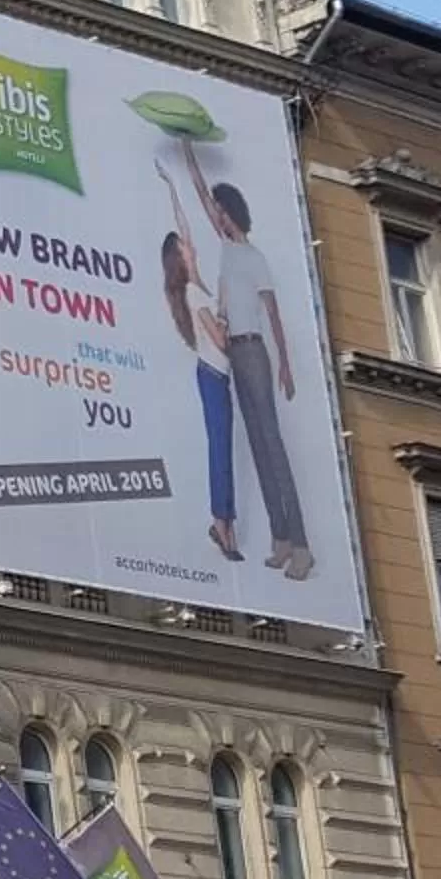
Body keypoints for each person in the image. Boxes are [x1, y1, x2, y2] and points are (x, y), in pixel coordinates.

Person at [184, 140, 313, 580]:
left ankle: (301, 546)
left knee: (273, 444)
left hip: (254, 350)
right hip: (235, 351)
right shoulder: (226, 248)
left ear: (232, 211)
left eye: (221, 209)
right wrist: (187, 151)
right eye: (215, 209)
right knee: (257, 444)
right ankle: (279, 538)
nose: (215, 214)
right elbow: (201, 197)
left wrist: (286, 364)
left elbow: (272, 311)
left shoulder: (253, 257)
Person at [159, 164, 241, 561]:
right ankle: (223, 525)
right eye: (184, 245)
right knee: (221, 450)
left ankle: (225, 523)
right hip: (213, 375)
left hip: (214, 377)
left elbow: (184, 225)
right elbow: (221, 342)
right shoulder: (193, 292)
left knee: (222, 448)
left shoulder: (197, 283)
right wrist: (232, 326)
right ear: (180, 257)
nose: (191, 245)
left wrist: (173, 186)